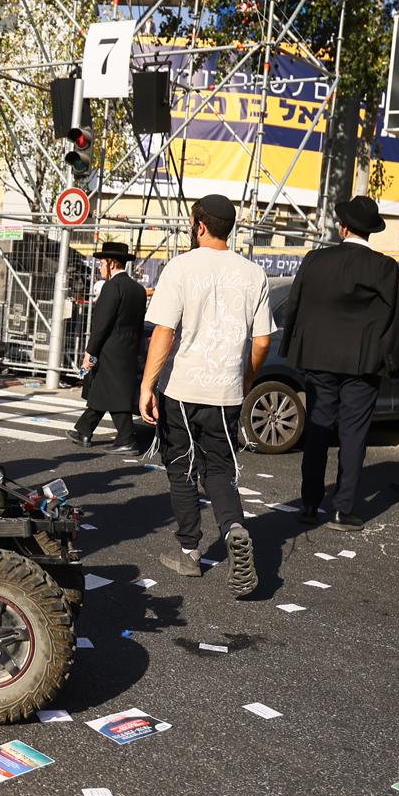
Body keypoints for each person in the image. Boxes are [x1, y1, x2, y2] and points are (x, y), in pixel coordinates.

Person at [138, 194, 271, 596]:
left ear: (199, 225)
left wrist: (147, 385)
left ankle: (190, 552)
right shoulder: (254, 274)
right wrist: (246, 377)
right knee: (219, 468)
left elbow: (164, 332)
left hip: (181, 387)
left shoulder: (180, 267)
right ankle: (233, 527)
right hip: (226, 390)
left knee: (181, 467)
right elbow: (262, 340)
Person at [281, 195, 399, 531]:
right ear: (370, 232)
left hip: (318, 358)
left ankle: (309, 503)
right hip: (362, 364)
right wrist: (393, 362)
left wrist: (291, 347)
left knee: (318, 429)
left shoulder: (315, 260)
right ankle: (343, 507)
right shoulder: (383, 266)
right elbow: (392, 318)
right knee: (354, 434)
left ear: (344, 227)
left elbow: (295, 305)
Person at [67, 241, 146, 453]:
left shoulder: (111, 288)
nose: (100, 267)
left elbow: (101, 325)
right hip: (129, 349)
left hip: (109, 349)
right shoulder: (138, 290)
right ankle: (84, 430)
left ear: (111, 263)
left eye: (102, 263)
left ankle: (126, 439)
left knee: (114, 393)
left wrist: (90, 352)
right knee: (103, 389)